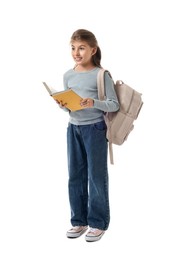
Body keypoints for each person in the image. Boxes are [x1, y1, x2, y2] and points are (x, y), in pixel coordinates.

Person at [58, 29, 119, 242]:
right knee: (75, 176)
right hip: (73, 128)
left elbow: (114, 104)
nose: (77, 52)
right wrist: (63, 105)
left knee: (96, 176)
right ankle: (79, 221)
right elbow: (70, 108)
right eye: (73, 48)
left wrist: (94, 103)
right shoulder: (68, 75)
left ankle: (98, 223)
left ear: (93, 50)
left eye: (82, 48)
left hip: (94, 129)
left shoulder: (101, 75)